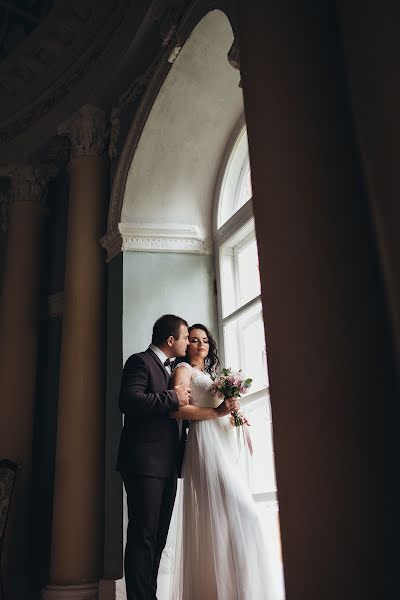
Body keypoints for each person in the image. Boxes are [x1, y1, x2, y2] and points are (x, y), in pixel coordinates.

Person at [117, 315, 237, 600]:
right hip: (144, 463)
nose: (189, 343)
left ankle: (150, 595)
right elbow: (128, 401)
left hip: (169, 464)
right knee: (143, 536)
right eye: (186, 338)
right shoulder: (140, 361)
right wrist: (173, 398)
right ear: (171, 340)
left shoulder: (168, 368)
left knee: (157, 538)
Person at [169, 324, 282, 600]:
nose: (200, 344)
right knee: (244, 512)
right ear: (186, 344)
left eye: (204, 340)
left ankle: (234, 591)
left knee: (223, 519)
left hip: (222, 442)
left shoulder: (210, 375)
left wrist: (232, 412)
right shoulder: (183, 371)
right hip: (204, 444)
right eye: (193, 340)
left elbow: (220, 410)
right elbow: (177, 410)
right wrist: (217, 411)